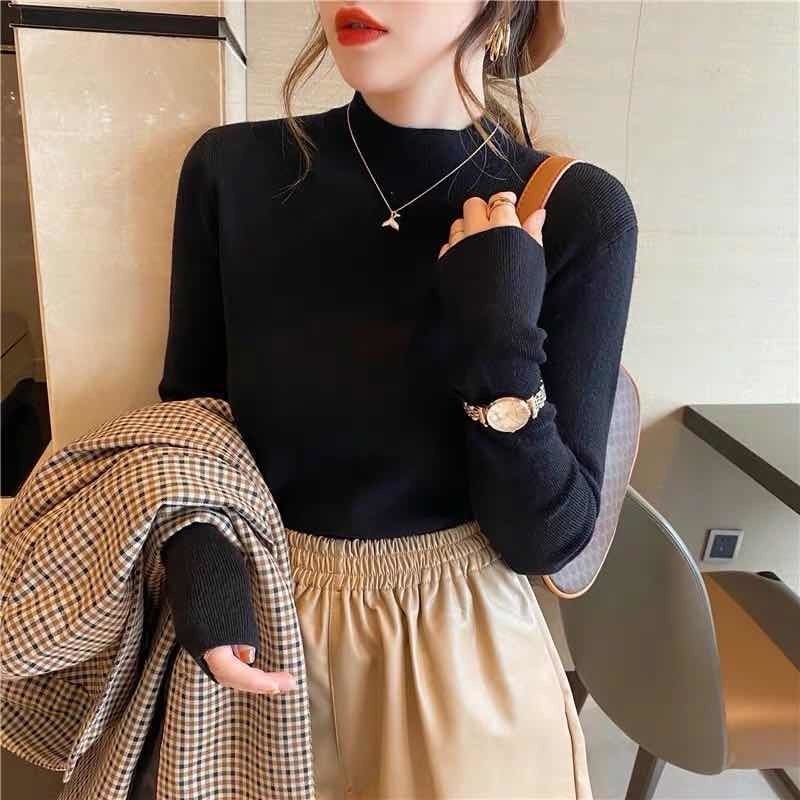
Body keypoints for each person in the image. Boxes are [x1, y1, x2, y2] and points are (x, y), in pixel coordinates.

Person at [147, 1, 638, 797]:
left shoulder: (578, 211)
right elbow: (190, 421)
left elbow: (547, 538)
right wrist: (201, 566)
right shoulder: (229, 171)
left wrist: (498, 344)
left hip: (464, 658)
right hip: (259, 641)